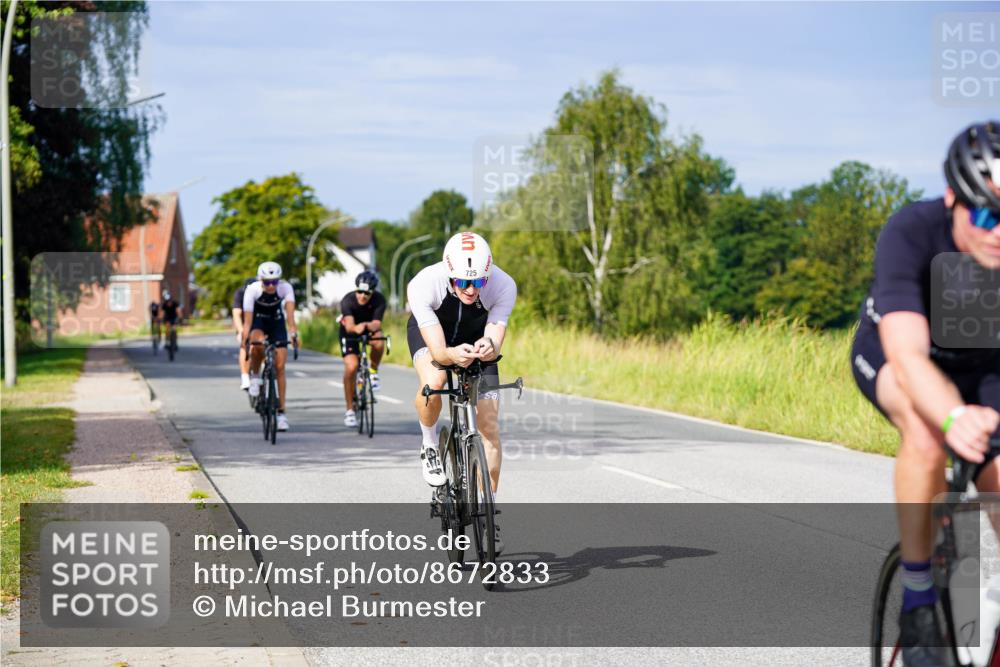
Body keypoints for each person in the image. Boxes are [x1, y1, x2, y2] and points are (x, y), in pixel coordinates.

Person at [851, 121, 1000, 666]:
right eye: (985, 214)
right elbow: (909, 355)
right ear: (951, 199)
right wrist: (954, 416)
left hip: (985, 365)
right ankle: (917, 600)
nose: (997, 231)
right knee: (926, 429)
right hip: (900, 355)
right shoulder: (912, 232)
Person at [406, 231, 516, 551]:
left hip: (475, 338)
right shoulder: (423, 284)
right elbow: (440, 353)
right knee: (435, 383)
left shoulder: (503, 284)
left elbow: (495, 336)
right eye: (463, 282)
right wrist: (453, 356)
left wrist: (488, 346)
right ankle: (429, 445)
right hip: (434, 337)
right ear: (448, 272)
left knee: (489, 426)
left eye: (478, 282)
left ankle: (487, 511)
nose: (470, 289)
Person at [242, 262, 298, 432]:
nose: (271, 285)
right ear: (261, 280)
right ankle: (256, 375)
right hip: (258, 320)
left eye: (275, 281)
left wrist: (294, 334)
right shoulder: (252, 290)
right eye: (267, 282)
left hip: (276, 322)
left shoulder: (285, 288)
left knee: (280, 367)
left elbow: (290, 315)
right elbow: (248, 321)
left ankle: (281, 413)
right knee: (257, 343)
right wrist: (245, 339)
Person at [339, 270, 387, 427]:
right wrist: (359, 327)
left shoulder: (379, 300)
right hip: (350, 332)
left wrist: (366, 325)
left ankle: (373, 372)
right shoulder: (348, 300)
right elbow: (351, 326)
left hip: (368, 327)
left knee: (379, 339)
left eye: (367, 293)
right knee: (352, 367)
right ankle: (350, 411)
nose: (362, 296)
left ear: (372, 292)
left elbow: (377, 324)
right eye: (359, 291)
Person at [232, 277, 258, 390]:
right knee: (245, 346)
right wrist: (241, 331)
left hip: (258, 321)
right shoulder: (240, 294)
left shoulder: (261, 293)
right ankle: (245, 377)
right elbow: (237, 314)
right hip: (244, 322)